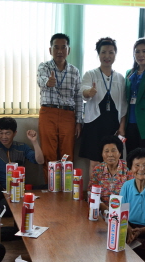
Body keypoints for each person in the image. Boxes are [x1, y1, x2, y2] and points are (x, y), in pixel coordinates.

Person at [36, 33, 83, 181]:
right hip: (48, 112)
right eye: (56, 47)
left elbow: (78, 97)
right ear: (50, 50)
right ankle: (51, 187)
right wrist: (48, 82)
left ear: (69, 50)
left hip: (68, 115)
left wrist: (79, 121)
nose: (60, 51)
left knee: (67, 153)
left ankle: (66, 188)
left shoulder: (74, 71)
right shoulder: (44, 67)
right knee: (48, 153)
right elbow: (41, 80)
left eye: (63, 47)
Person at [80, 37, 127, 175]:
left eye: (111, 52)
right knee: (95, 163)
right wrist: (89, 92)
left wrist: (122, 127)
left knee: (114, 162)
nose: (107, 56)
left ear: (115, 54)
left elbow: (124, 104)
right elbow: (83, 91)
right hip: (94, 125)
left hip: (113, 127)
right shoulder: (90, 74)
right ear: (98, 54)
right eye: (103, 52)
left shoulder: (120, 78)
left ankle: (112, 189)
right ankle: (93, 189)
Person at [0, 117, 44, 190]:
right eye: (1, 133)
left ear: (15, 133)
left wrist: (34, 141)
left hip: (20, 188)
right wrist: (2, 191)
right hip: (0, 190)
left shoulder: (22, 147)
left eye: (7, 133)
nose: (4, 137)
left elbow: (40, 161)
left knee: (45, 187)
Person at [89, 135, 132, 211]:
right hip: (101, 210)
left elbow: (132, 196)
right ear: (102, 154)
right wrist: (103, 207)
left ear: (120, 153)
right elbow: (90, 192)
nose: (110, 154)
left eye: (113, 150)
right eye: (106, 151)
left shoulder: (128, 169)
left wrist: (117, 211)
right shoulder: (98, 169)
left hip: (123, 211)